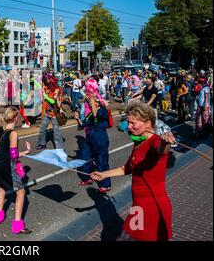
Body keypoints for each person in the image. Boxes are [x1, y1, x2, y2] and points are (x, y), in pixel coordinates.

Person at [91, 101, 175, 241]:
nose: (129, 127)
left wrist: (165, 143)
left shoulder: (155, 141)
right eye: (128, 123)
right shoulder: (139, 142)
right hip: (139, 204)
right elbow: (127, 168)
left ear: (148, 123)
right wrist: (103, 174)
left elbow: (161, 151)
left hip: (152, 206)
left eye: (133, 123)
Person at [0, 107, 32, 234]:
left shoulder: (0, 130)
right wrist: (27, 152)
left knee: (2, 188)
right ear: (15, 118)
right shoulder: (13, 133)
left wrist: (3, 151)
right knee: (21, 192)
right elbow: (14, 155)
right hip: (8, 165)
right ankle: (18, 224)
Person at [74, 79, 111, 193]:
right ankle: (87, 178)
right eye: (89, 101)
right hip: (90, 137)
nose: (89, 102)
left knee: (101, 161)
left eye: (92, 100)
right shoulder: (90, 112)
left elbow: (96, 115)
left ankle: (105, 184)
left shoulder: (102, 109)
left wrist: (92, 100)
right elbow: (84, 124)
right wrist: (78, 119)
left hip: (100, 138)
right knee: (84, 158)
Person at [36, 76, 65, 150]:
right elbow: (40, 86)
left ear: (52, 82)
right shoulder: (48, 88)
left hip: (55, 113)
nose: (48, 82)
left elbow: (53, 101)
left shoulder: (57, 89)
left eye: (49, 81)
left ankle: (60, 148)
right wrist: (35, 80)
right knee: (42, 128)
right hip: (47, 112)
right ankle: (42, 143)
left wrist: (45, 96)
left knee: (56, 132)